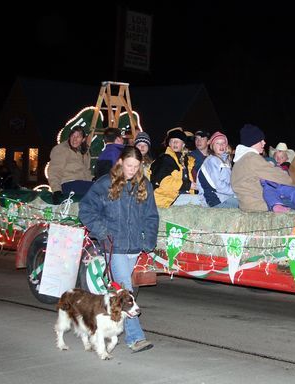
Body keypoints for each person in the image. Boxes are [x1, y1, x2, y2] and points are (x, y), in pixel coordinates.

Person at [79, 146, 158, 353]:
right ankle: (135, 338)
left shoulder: (144, 185)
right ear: (121, 161)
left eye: (136, 166)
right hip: (114, 247)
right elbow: (86, 210)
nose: (132, 170)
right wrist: (103, 232)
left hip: (134, 247)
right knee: (125, 292)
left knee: (121, 293)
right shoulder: (105, 183)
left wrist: (149, 241)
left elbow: (151, 216)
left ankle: (95, 325)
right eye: (129, 165)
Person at [231, 124, 295, 212]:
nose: (264, 143)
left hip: (246, 204)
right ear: (253, 141)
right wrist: (294, 183)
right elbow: (278, 176)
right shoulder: (251, 158)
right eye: (261, 140)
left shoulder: (239, 161)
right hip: (260, 203)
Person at [150, 128, 199, 207]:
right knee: (199, 201)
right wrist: (188, 185)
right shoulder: (165, 159)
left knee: (203, 199)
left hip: (180, 197)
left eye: (178, 141)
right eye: (172, 141)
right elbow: (164, 183)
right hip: (165, 200)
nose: (175, 143)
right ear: (169, 144)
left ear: (183, 144)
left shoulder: (188, 161)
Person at [48, 125, 93, 200]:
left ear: (83, 139)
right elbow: (55, 171)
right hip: (68, 184)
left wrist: (94, 179)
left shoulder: (84, 152)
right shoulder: (62, 149)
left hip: (81, 184)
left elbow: (86, 171)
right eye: (73, 136)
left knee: (103, 187)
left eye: (78, 136)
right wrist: (56, 190)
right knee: (99, 189)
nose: (74, 139)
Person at [197, 131, 239, 208]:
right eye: (218, 143)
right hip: (214, 200)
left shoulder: (225, 161)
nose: (221, 145)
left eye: (223, 143)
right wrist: (236, 191)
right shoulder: (211, 161)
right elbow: (218, 185)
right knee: (247, 204)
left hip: (225, 197)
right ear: (212, 146)